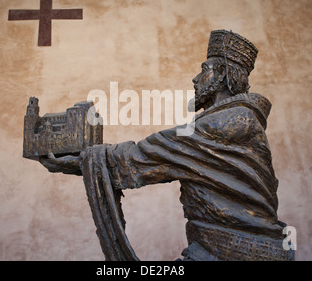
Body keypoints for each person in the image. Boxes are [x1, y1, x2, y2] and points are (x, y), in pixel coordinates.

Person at [40, 30, 294, 261]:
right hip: (220, 249)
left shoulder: (230, 122)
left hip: (235, 252)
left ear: (222, 75)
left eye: (204, 70)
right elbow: (158, 155)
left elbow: (148, 153)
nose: (195, 79)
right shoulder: (237, 119)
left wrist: (80, 161)